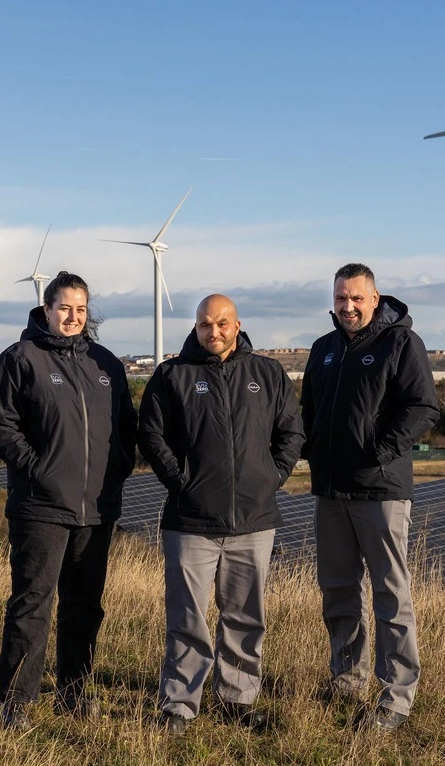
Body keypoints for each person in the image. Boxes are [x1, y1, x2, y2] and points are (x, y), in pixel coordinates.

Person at [138, 294, 304, 735]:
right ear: (195, 327)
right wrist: (181, 481)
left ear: (238, 324)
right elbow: (151, 435)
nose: (214, 332)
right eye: (206, 325)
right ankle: (179, 703)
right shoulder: (172, 375)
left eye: (223, 323)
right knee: (186, 616)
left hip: (254, 519)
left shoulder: (266, 374)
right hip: (190, 520)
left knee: (246, 615)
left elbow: (291, 431)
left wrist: (271, 478)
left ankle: (238, 699)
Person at [0, 270, 138, 731]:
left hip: (96, 507)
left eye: (81, 309)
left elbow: (126, 428)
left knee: (85, 605)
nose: (73, 317)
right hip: (41, 506)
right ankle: (15, 702)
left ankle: (74, 691)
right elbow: (0, 426)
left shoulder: (107, 363)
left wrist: (116, 474)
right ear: (46, 309)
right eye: (64, 308)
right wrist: (40, 471)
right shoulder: (19, 358)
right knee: (32, 603)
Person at [300, 263, 439, 731]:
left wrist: (380, 452)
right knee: (338, 590)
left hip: (380, 490)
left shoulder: (400, 343)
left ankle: (396, 696)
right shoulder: (324, 349)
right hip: (330, 489)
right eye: (341, 298)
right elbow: (308, 413)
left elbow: (423, 407)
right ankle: (346, 675)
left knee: (389, 593)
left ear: (374, 299)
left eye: (356, 298)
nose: (348, 306)